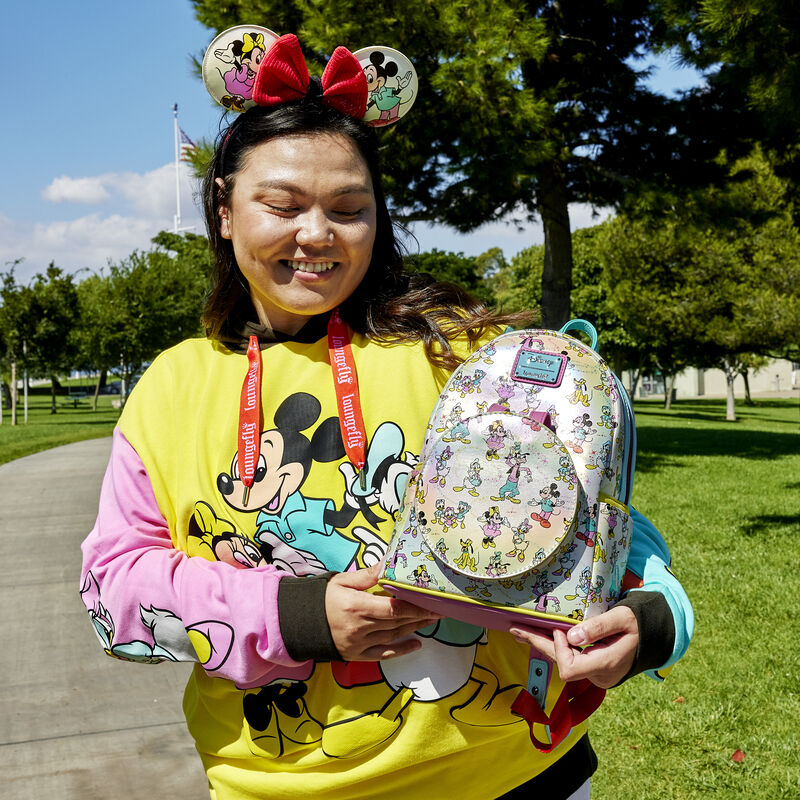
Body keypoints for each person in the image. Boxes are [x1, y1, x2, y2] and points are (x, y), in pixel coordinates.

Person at [80, 31, 693, 800]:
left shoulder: (467, 357)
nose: (316, 233)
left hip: (519, 776)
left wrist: (650, 618)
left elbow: (599, 517)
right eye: (282, 205)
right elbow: (113, 595)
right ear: (225, 210)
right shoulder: (169, 389)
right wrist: (298, 616)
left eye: (349, 209)